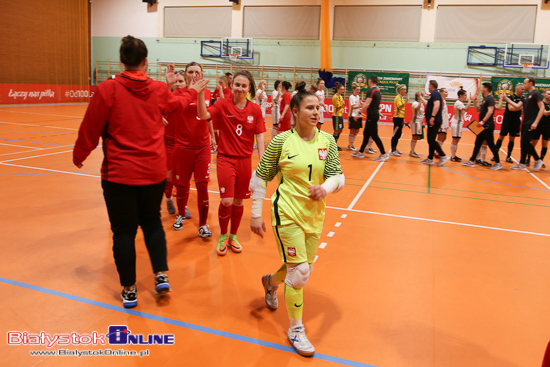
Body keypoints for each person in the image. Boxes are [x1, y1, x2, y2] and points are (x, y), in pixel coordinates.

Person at [73, 36, 208, 308]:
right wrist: (192, 90)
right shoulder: (158, 89)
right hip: (153, 173)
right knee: (152, 222)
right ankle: (160, 274)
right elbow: (177, 104)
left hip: (118, 175)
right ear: (145, 62)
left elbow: (90, 128)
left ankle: (130, 289)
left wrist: (80, 155)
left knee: (123, 233)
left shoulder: (107, 90)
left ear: (122, 60)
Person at [249, 84, 345, 357]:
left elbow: (339, 176)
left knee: (301, 270)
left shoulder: (327, 141)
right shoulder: (281, 141)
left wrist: (325, 188)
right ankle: (296, 329)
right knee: (300, 273)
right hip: (287, 213)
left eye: (318, 107)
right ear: (295, 111)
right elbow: (260, 176)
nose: (317, 112)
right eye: (310, 107)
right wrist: (256, 213)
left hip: (314, 215)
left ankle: (270, 281)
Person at [197, 70, 266, 256]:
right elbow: (203, 116)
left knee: (238, 201)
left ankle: (233, 236)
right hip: (226, 158)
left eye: (244, 86)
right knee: (226, 200)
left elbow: (259, 135)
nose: (240, 89)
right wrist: (198, 94)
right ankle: (223, 235)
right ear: (231, 85)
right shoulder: (221, 105)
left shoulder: (255, 110)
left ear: (249, 88)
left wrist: (262, 160)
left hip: (245, 161)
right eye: (237, 85)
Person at [169, 62, 215, 237]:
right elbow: (166, 108)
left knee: (202, 185)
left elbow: (208, 117)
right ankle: (180, 215)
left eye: (197, 71)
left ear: (202, 73)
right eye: (190, 72)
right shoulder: (179, 93)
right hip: (182, 147)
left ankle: (203, 225)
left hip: (202, 147)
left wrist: (212, 136)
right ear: (186, 74)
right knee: (182, 185)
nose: (194, 74)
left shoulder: (208, 93)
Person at [506, 77, 545, 171]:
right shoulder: (527, 95)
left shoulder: (536, 94)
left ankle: (538, 160)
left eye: (525, 83)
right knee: (522, 143)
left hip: (531, 122)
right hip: (525, 122)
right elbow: (517, 106)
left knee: (526, 142)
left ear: (531, 83)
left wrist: (536, 122)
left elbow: (542, 108)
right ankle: (522, 163)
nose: (524, 85)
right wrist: (506, 98)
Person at [462, 83, 502, 170]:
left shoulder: (490, 98)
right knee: (478, 143)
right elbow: (477, 109)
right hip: (482, 126)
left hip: (487, 125)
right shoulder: (485, 99)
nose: (482, 89)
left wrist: (483, 121)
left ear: (486, 89)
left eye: (483, 87)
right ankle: (472, 161)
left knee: (491, 144)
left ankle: (498, 163)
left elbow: (490, 111)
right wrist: (474, 101)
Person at [164, 70, 186, 216]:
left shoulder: (190, 98)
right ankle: (168, 198)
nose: (178, 84)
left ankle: (183, 205)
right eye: (176, 81)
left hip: (185, 142)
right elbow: (151, 108)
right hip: (169, 142)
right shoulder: (167, 97)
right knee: (170, 176)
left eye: (181, 81)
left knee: (183, 178)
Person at [352, 75, 388, 161]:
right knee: (366, 134)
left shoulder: (371, 91)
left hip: (372, 115)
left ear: (370, 81)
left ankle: (383, 154)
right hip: (374, 114)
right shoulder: (378, 91)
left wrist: (359, 113)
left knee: (374, 135)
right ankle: (361, 152)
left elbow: (367, 104)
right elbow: (376, 105)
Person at [420, 80, 450, 166]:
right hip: (433, 120)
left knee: (431, 140)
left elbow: (437, 105)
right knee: (430, 139)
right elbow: (430, 105)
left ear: (432, 86)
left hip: (435, 120)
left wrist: (432, 117)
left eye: (429, 86)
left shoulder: (435, 94)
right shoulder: (433, 95)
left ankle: (443, 155)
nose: (428, 88)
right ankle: (430, 158)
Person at [495, 83, 525, 163]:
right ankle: (495, 155)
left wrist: (520, 108)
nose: (523, 90)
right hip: (507, 120)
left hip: (516, 120)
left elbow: (522, 112)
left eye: (524, 89)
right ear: (517, 89)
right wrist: (520, 107)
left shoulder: (523, 98)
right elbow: (511, 108)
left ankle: (508, 156)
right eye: (522, 89)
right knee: (501, 136)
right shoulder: (510, 97)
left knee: (512, 138)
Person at [449, 89, 472, 162]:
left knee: (457, 140)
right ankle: (452, 156)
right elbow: (466, 108)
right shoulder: (458, 103)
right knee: (455, 140)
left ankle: (454, 155)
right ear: (461, 95)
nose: (466, 97)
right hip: (457, 124)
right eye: (465, 95)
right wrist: (469, 101)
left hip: (458, 124)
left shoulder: (460, 103)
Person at [530, 89, 550, 164]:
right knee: (533, 142)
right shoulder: (541, 103)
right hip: (539, 125)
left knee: (545, 144)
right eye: (548, 94)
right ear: (543, 94)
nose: (549, 95)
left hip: (547, 126)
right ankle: (528, 158)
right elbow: (545, 113)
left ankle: (541, 160)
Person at [390, 84, 408, 156]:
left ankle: (395, 149)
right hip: (397, 118)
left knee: (399, 134)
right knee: (395, 134)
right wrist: (406, 101)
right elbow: (400, 106)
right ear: (400, 90)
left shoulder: (401, 98)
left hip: (400, 118)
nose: (405, 91)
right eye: (404, 90)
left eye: (405, 90)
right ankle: (393, 150)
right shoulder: (398, 98)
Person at [408, 91, 426, 158]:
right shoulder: (415, 103)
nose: (423, 97)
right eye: (422, 96)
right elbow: (416, 108)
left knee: (417, 136)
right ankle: (412, 152)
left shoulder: (421, 104)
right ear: (418, 97)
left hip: (419, 122)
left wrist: (423, 121)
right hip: (415, 121)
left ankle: (412, 151)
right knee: (415, 136)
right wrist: (421, 101)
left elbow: (421, 114)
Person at [348, 84, 362, 151]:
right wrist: (360, 106)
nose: (358, 91)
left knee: (357, 130)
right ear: (353, 90)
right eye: (357, 90)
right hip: (353, 115)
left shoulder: (358, 96)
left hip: (358, 115)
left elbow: (358, 104)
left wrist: (361, 105)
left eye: (359, 90)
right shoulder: (351, 97)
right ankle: (350, 145)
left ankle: (351, 144)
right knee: (352, 130)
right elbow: (353, 106)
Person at [332, 82, 345, 151]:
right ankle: (333, 145)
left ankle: (335, 144)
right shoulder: (336, 96)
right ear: (337, 89)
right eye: (341, 89)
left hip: (340, 115)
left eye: (343, 90)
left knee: (340, 130)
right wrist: (342, 104)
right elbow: (337, 106)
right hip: (336, 115)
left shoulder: (340, 96)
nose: (342, 91)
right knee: (336, 130)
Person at [436, 88, 450, 153]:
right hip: (441, 121)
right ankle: (437, 152)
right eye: (445, 92)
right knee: (440, 137)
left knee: (444, 137)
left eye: (447, 92)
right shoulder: (440, 100)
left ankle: (438, 149)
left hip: (445, 121)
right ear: (441, 93)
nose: (447, 93)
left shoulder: (444, 101)